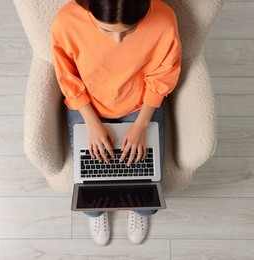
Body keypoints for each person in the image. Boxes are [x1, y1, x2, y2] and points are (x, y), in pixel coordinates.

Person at [51, 0, 181, 246]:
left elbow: (164, 74)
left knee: (145, 193)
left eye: (129, 30)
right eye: (107, 30)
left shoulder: (164, 19)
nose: (118, 41)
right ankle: (97, 213)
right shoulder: (66, 22)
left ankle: (138, 211)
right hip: (88, 104)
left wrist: (142, 125)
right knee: (91, 191)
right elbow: (67, 78)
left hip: (140, 105)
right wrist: (92, 123)